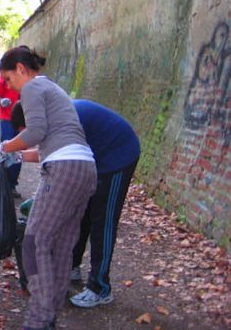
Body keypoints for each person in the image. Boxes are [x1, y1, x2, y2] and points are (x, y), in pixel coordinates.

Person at [0, 46, 96, 330]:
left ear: (21, 69)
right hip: (84, 168)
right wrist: (17, 154)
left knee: (35, 242)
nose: (9, 87)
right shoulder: (53, 88)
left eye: (9, 79)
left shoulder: (33, 89)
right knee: (61, 245)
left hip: (63, 170)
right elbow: (52, 142)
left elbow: (35, 132)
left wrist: (4, 146)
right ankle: (49, 313)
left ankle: (39, 320)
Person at [10, 99, 141, 308]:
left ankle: (100, 288)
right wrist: (15, 155)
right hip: (92, 158)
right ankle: (72, 266)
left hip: (116, 156)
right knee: (82, 215)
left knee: (103, 221)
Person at [0, 75, 22, 197]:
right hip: (7, 119)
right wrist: (1, 101)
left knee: (19, 150)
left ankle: (11, 184)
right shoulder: (4, 77)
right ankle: (2, 183)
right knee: (7, 149)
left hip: (22, 118)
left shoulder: (26, 77)